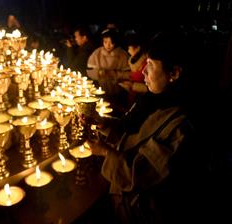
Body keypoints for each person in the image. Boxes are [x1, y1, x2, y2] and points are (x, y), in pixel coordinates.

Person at [85, 30, 207, 223]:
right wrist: (105, 125)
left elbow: (141, 174)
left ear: (174, 73)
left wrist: (105, 152)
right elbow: (134, 135)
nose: (143, 72)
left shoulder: (181, 127)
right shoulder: (154, 100)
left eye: (150, 65)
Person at [87, 28, 130, 109]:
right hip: (101, 91)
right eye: (105, 42)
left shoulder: (123, 55)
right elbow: (89, 71)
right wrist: (98, 73)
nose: (108, 45)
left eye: (111, 42)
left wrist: (113, 74)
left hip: (119, 93)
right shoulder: (97, 53)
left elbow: (128, 74)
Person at [119, 32, 148, 107]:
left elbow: (147, 86)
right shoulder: (132, 60)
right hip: (133, 95)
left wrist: (132, 85)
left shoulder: (146, 62)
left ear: (138, 48)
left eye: (129, 48)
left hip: (143, 98)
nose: (128, 51)